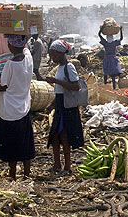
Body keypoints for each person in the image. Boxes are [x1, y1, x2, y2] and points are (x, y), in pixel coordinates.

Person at [0, 35, 35, 180]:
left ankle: (12, 174)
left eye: (9, 44)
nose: (8, 46)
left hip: (9, 110)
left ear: (13, 46)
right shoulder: (28, 58)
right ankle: (27, 173)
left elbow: (3, 86)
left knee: (12, 144)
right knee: (25, 143)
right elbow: (26, 45)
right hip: (24, 107)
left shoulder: (10, 64)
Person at [45, 40, 84, 176]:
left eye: (54, 55)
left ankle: (67, 167)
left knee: (64, 136)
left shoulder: (69, 67)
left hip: (68, 107)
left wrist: (56, 81)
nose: (52, 58)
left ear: (61, 53)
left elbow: (76, 86)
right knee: (54, 136)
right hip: (61, 104)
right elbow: (60, 90)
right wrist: (52, 104)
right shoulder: (60, 68)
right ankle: (57, 164)